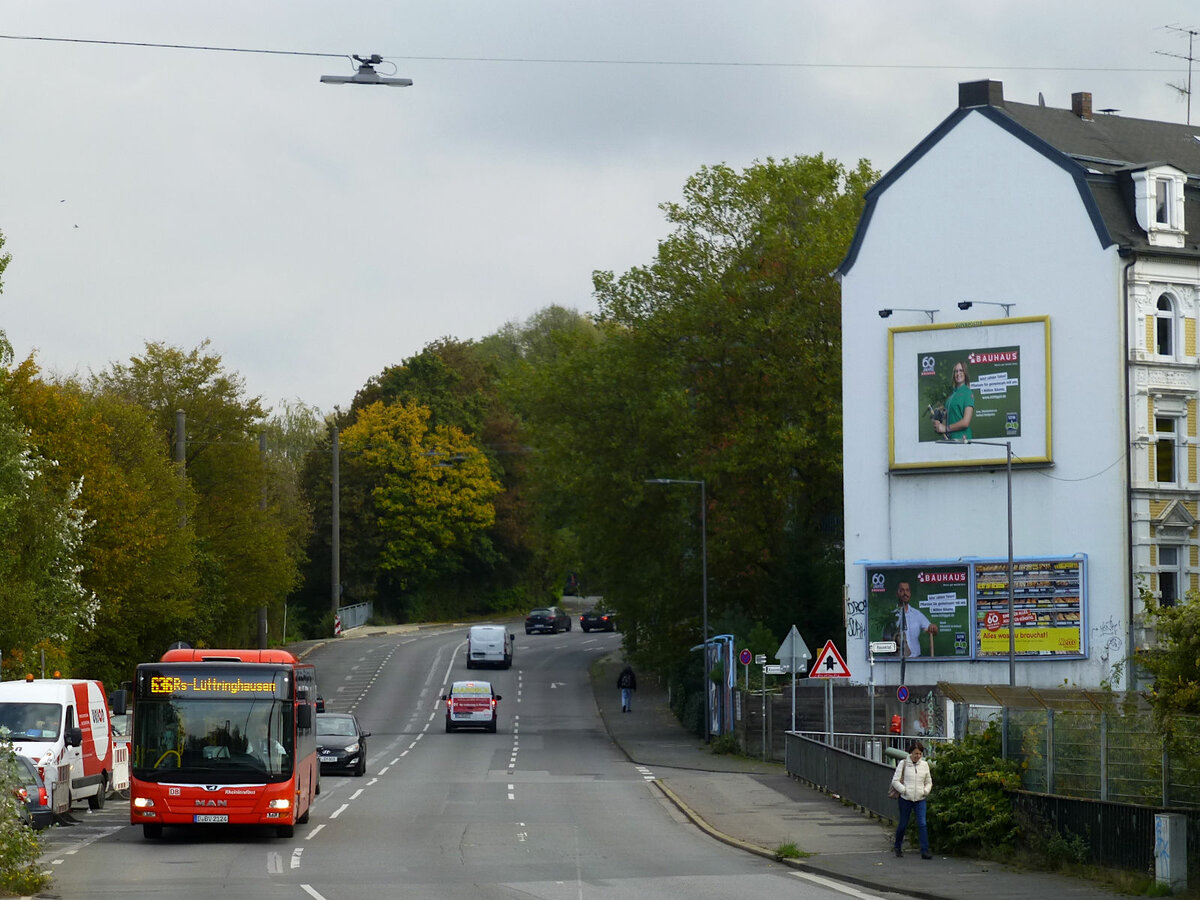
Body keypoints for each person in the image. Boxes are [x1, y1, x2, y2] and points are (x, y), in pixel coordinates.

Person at [892, 739, 934, 859]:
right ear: (911, 753)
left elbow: (928, 781)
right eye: (916, 753)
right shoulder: (903, 763)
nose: (918, 756)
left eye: (920, 754)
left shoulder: (924, 765)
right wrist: (904, 790)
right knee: (903, 824)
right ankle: (898, 846)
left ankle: (924, 850)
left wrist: (925, 791)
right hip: (906, 798)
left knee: (922, 824)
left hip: (920, 799)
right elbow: (895, 781)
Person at [890, 581, 938, 659]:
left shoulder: (917, 614)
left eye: (907, 590)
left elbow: (931, 629)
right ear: (897, 593)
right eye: (902, 590)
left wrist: (933, 627)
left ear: (910, 594)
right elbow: (885, 639)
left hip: (916, 660)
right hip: (897, 661)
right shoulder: (891, 616)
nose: (905, 593)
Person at [933, 360, 974, 441]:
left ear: (965, 373)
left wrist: (945, 428)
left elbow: (965, 422)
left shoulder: (968, 392)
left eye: (961, 370)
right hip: (949, 439)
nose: (958, 373)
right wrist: (939, 425)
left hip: (962, 439)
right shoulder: (951, 394)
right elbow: (946, 419)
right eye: (956, 371)